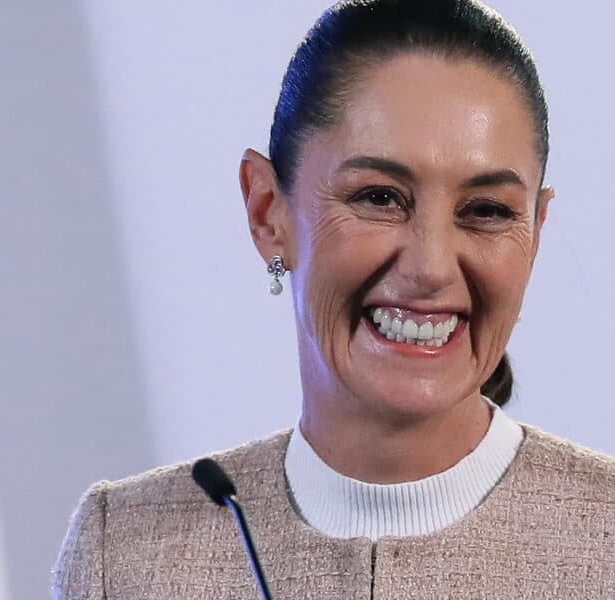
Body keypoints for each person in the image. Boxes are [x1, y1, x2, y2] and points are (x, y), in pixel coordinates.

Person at [52, 0, 615, 598]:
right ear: (268, 212)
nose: (430, 267)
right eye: (378, 198)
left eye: (486, 211)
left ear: (535, 234)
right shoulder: (128, 553)